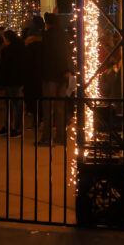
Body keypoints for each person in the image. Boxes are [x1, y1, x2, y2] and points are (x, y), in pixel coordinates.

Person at [37, 14, 72, 147]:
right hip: (63, 76)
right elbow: (66, 54)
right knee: (60, 107)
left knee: (47, 108)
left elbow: (45, 56)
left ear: (48, 23)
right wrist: (67, 71)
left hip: (49, 75)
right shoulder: (63, 35)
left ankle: (46, 137)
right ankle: (61, 137)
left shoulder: (48, 36)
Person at [0, 30, 26, 137]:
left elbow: (5, 65)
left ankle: (16, 128)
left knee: (13, 104)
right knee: (13, 104)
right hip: (16, 79)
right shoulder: (20, 48)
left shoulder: (9, 50)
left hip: (11, 80)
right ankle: (11, 126)